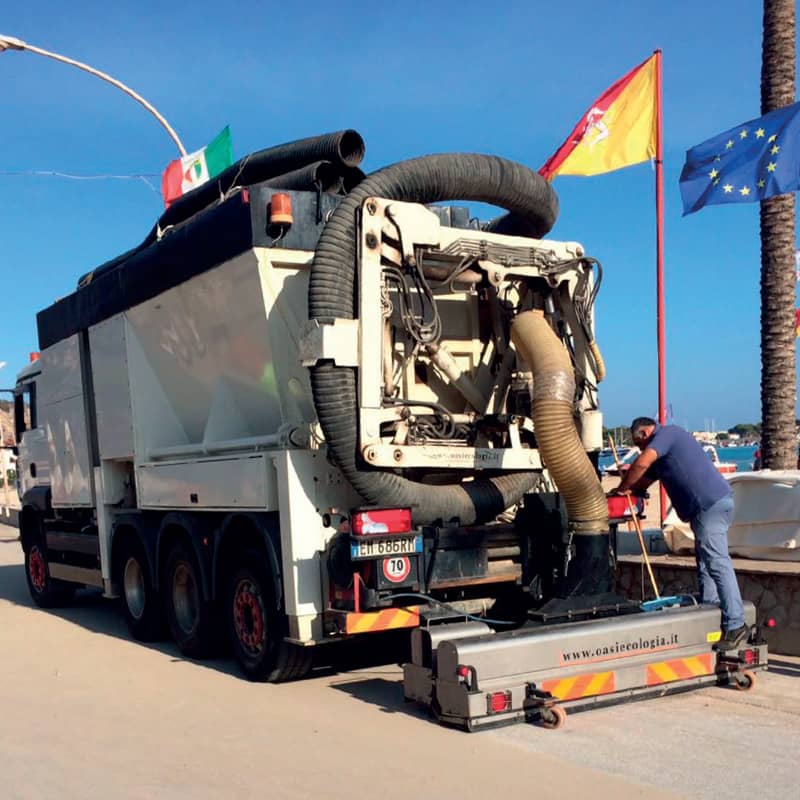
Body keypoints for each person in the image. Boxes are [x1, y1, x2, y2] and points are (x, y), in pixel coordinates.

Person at [612, 417, 747, 651]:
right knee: (705, 562)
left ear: (645, 433)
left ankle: (736, 624)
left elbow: (642, 464)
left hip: (710, 505)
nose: (640, 449)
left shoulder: (668, 434)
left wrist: (623, 487)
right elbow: (643, 480)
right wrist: (629, 490)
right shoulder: (663, 454)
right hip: (706, 508)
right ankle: (710, 611)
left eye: (639, 443)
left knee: (716, 563)